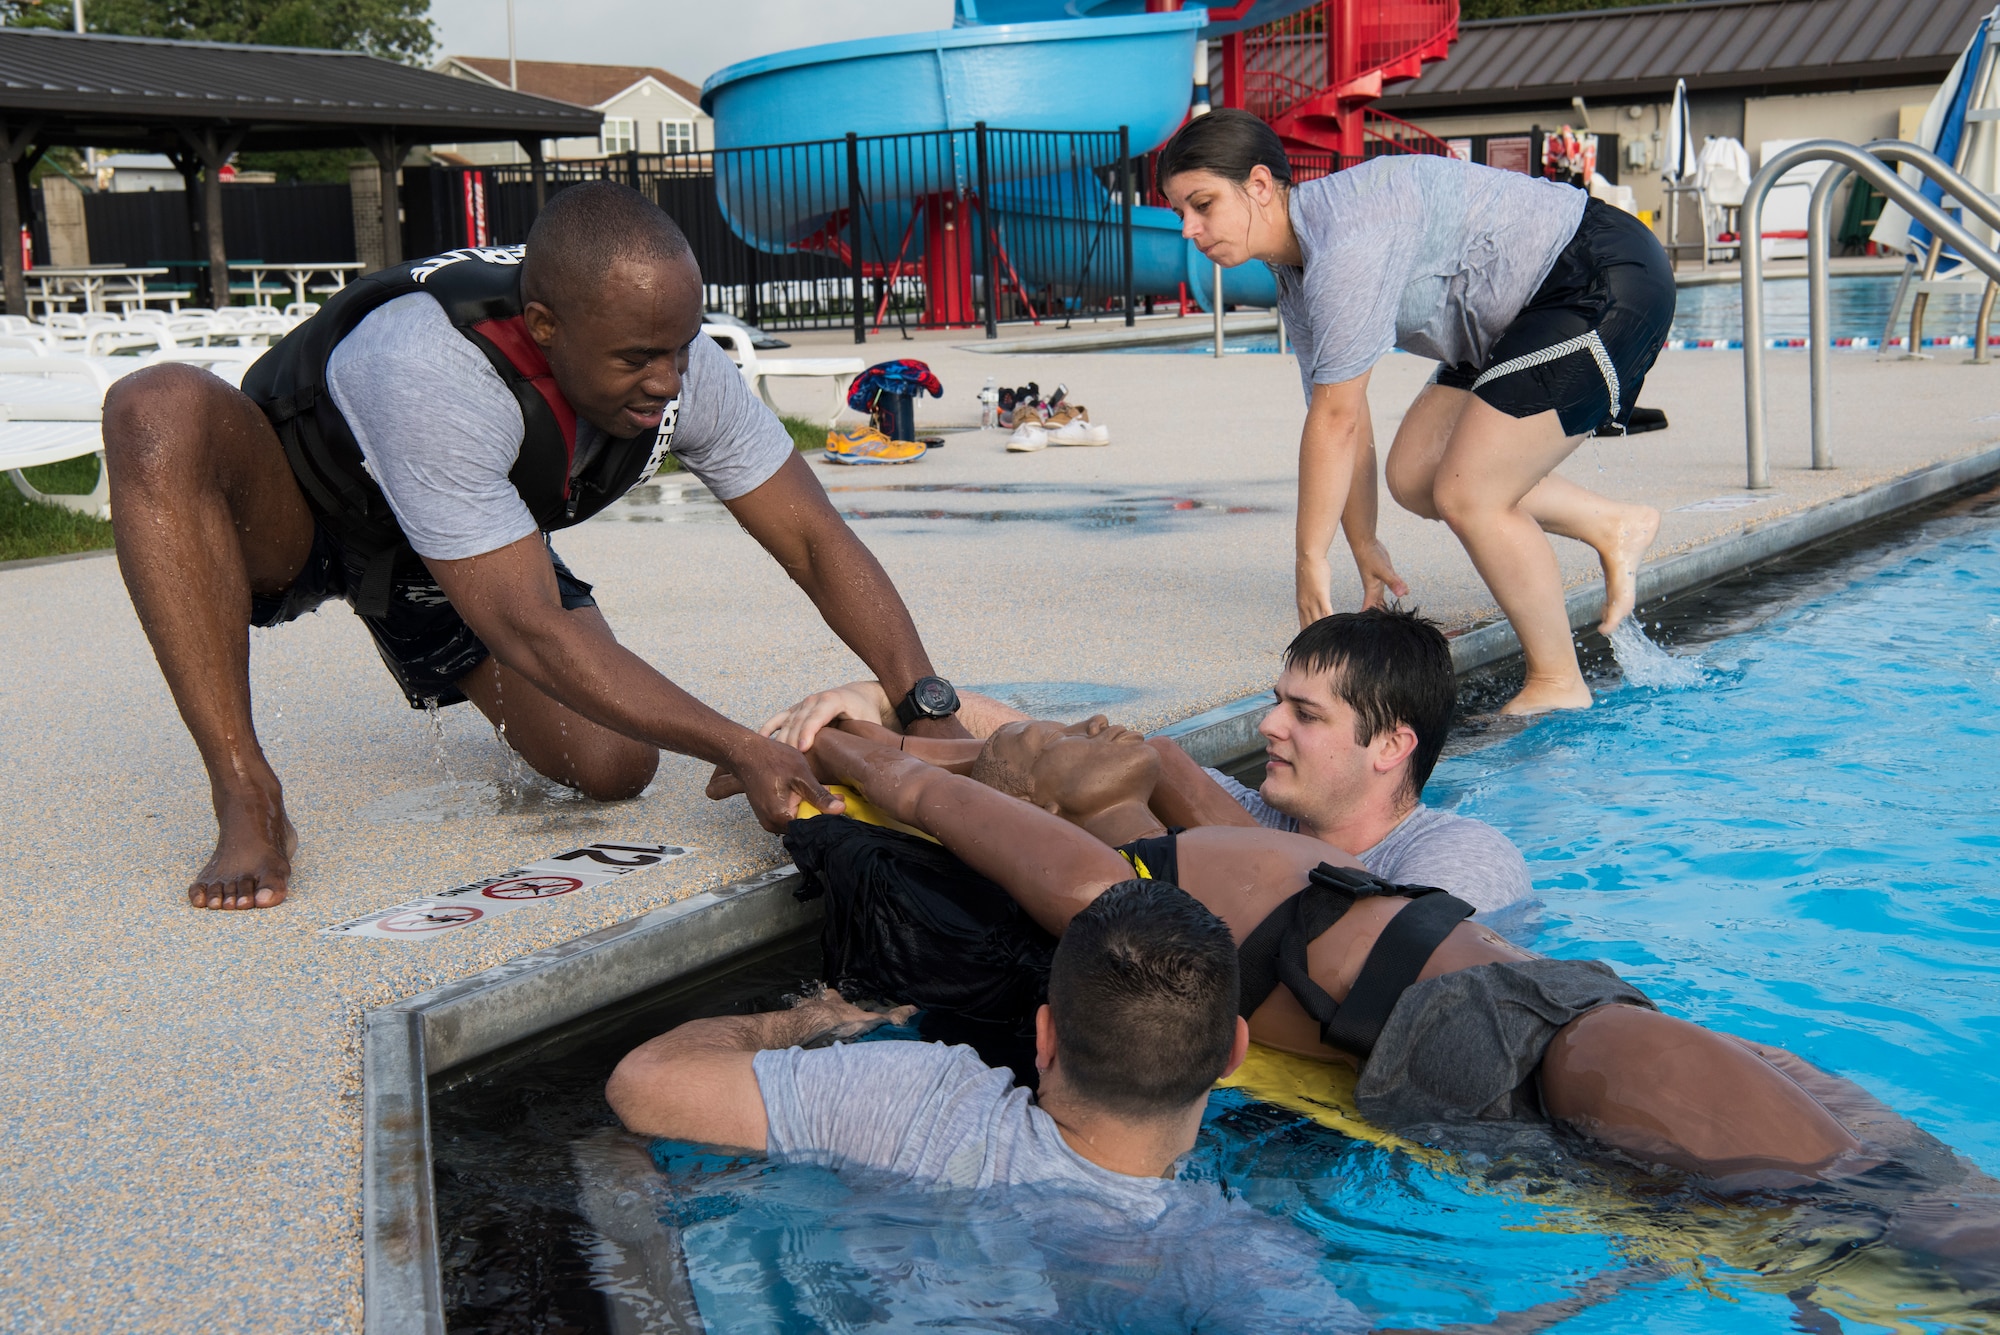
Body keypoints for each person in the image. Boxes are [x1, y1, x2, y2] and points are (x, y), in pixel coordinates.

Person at [102, 181, 967, 911]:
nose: (667, 382)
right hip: (304, 509)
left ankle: (424, 634)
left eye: (678, 349)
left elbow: (815, 539)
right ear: (545, 326)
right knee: (155, 407)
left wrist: (927, 704)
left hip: (455, 544)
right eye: (637, 358)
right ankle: (243, 783)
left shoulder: (682, 368)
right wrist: (740, 743)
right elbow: (532, 628)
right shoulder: (433, 364)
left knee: (615, 765)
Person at [767, 721, 2000, 1222]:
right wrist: (869, 759)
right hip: (1541, 1045)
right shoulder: (1123, 895)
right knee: (1916, 1222)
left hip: (1551, 1015)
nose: (1078, 727)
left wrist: (1073, 754)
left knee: (1911, 1186)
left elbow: (1141, 773)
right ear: (1025, 805)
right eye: (1049, 741)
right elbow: (937, 794)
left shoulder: (1207, 831)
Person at [606, 881, 1373, 1334]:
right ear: (1234, 1052)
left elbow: (643, 1081)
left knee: (606, 1158)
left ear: (1043, 1034)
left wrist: (803, 1021)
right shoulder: (1240, 1255)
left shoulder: (919, 1097)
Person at [1157, 109, 1674, 715]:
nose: (1189, 228)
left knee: (1471, 493)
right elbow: (1343, 416)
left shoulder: (1344, 242)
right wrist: (1364, 541)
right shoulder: (1297, 269)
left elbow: (1336, 422)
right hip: (1517, 315)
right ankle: (1613, 524)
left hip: (1597, 277)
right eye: (1180, 213)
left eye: (1202, 204)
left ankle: (1559, 681)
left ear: (1261, 185)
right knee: (1416, 474)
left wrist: (1310, 558)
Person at [753, 608, 1532, 912]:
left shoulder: (1463, 860)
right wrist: (895, 697)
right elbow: (1049, 746)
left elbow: (1373, 953)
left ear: (1392, 746)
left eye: (1304, 714)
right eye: (1276, 700)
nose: (1268, 726)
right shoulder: (1250, 804)